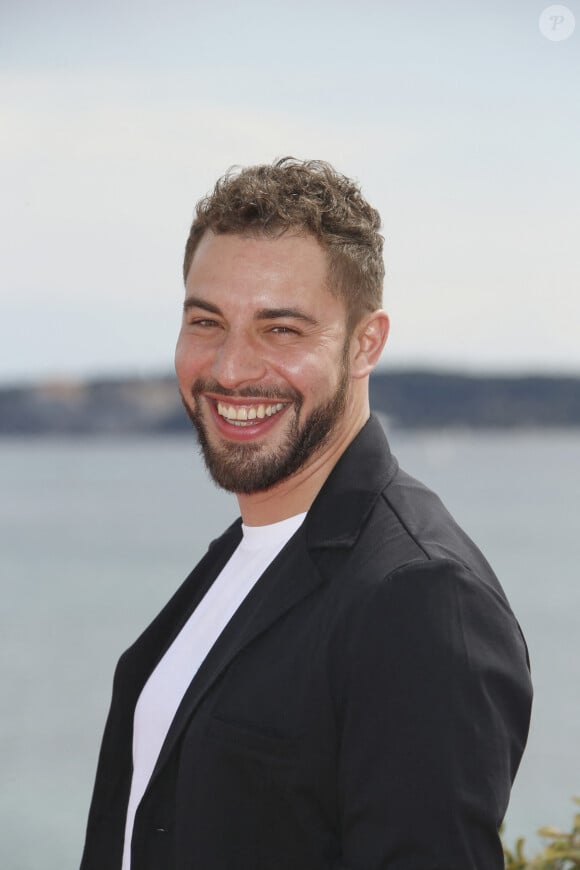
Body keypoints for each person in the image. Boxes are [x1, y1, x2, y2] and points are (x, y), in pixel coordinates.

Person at [80, 158, 532, 870]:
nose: (230, 369)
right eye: (207, 321)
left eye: (281, 330)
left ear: (365, 343)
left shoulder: (422, 598)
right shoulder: (248, 550)